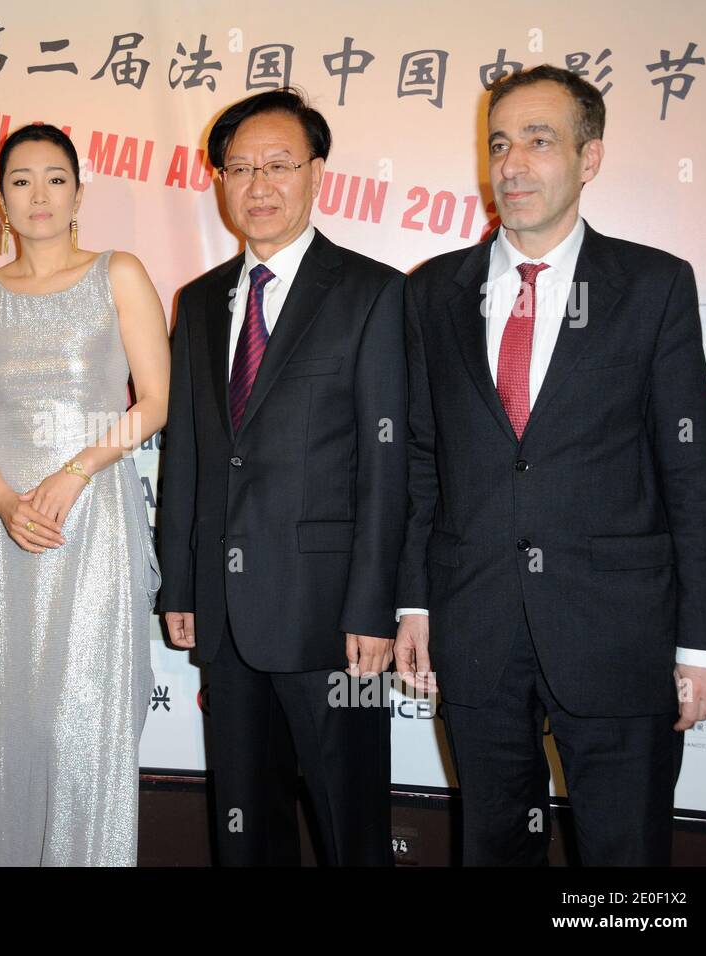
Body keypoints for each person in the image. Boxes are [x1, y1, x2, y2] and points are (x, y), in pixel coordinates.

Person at [394, 65, 706, 865]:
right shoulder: (433, 292)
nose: (512, 163)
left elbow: (689, 472)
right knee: (494, 842)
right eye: (499, 143)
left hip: (619, 632)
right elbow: (419, 458)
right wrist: (414, 600)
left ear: (589, 160)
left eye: (539, 141)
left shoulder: (653, 286)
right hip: (474, 623)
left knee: (624, 859)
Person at [159, 88, 406, 866]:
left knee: (349, 813)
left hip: (338, 620)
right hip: (226, 616)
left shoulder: (374, 293)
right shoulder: (196, 303)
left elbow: (388, 463)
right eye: (239, 168)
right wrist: (181, 585)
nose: (258, 186)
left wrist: (375, 607)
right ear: (220, 182)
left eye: (278, 165)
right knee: (243, 819)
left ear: (317, 173)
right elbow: (189, 455)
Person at [0, 123, 169, 866]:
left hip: (93, 516)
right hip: (10, 524)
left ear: (78, 191)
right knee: (14, 724)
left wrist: (76, 471)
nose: (39, 194)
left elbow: (154, 402)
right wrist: (4, 502)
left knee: (87, 719)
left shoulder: (119, 273)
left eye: (56, 178)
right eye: (21, 179)